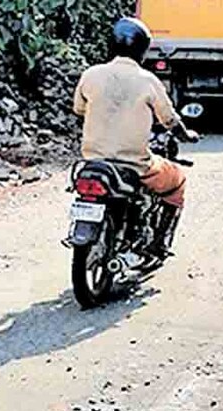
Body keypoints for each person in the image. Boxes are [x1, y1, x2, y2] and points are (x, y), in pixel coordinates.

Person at [72, 17, 199, 260]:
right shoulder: (148, 80)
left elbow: (80, 109)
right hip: (134, 165)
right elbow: (170, 121)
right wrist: (188, 136)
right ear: (142, 49)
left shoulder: (91, 74)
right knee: (178, 181)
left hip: (93, 161)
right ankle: (158, 244)